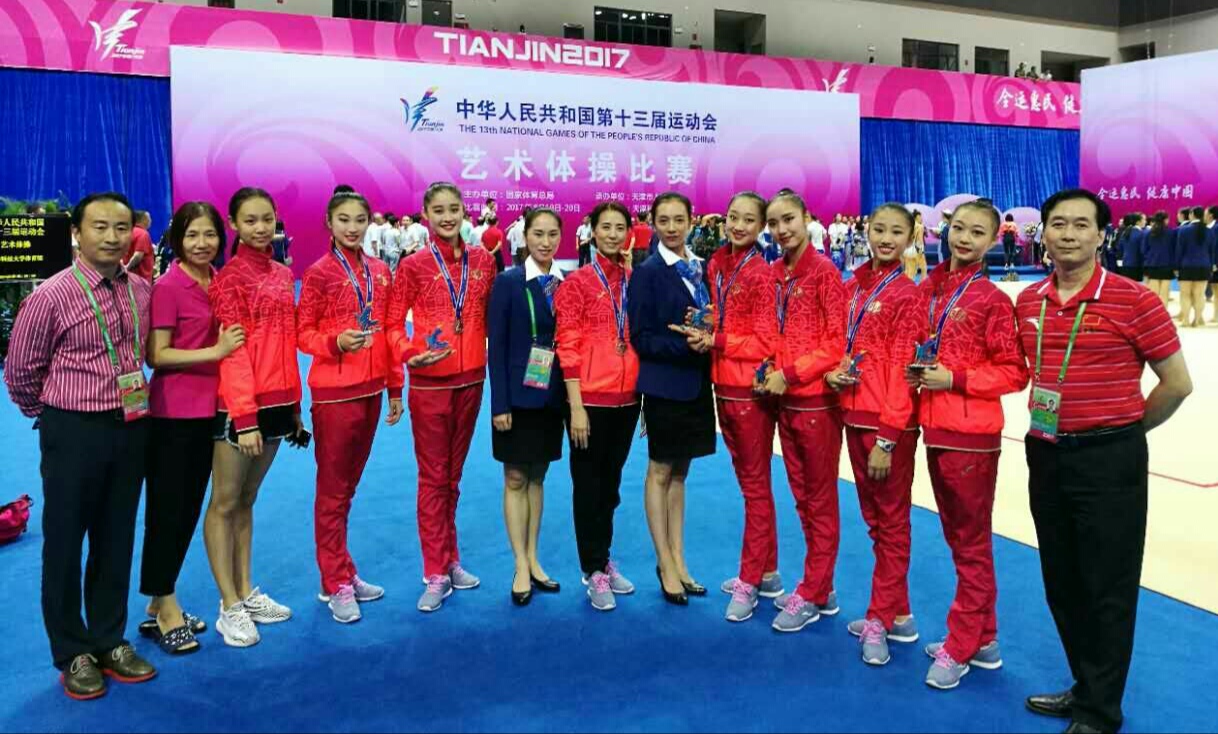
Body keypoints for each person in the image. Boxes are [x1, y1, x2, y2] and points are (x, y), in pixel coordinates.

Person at [1018, 189, 1192, 734]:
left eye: (1081, 224)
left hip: (1110, 459)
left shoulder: (1134, 300)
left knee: (1107, 586)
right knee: (1062, 580)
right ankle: (1085, 685)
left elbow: (1176, 384)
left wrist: (1122, 432)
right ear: (1044, 233)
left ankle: (1100, 710)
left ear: (1100, 234)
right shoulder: (1028, 301)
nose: (1068, 234)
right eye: (1058, 224)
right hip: (1046, 452)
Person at [4, 192, 157, 700]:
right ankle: (72, 650)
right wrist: (53, 416)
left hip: (130, 427)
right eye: (100, 227)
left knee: (116, 538)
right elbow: (20, 372)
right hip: (73, 430)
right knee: (66, 542)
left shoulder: (140, 289)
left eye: (120, 228)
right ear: (76, 232)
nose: (112, 237)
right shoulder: (50, 295)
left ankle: (110, 639)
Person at [893, 200, 1028, 690]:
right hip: (935, 427)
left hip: (972, 435)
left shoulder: (991, 299)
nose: (965, 238)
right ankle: (984, 640)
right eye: (959, 229)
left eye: (977, 232)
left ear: (994, 240)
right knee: (960, 538)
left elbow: (1014, 371)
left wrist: (955, 379)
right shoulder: (932, 289)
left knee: (970, 543)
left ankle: (963, 642)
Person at [140, 202, 245, 656]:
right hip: (174, 414)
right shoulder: (169, 286)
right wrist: (215, 352)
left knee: (189, 509)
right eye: (192, 235)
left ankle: (157, 599)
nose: (202, 243)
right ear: (177, 240)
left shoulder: (218, 281)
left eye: (210, 234)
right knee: (169, 511)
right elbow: (157, 355)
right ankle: (165, 606)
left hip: (212, 410)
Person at [386, 182, 496, 613]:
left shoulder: (483, 261)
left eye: (454, 209)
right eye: (439, 210)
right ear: (426, 215)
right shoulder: (413, 266)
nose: (448, 217)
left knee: (453, 477)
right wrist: (409, 353)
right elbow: (392, 323)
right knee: (433, 477)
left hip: (472, 381)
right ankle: (434, 568)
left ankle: (450, 558)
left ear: (465, 211)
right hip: (430, 383)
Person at [297, 191, 404, 624]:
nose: (353, 227)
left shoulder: (380, 272)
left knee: (348, 488)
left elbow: (390, 331)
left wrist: (394, 387)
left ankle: (342, 568)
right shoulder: (318, 273)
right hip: (334, 394)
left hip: (371, 391)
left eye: (360, 219)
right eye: (344, 219)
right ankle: (333, 581)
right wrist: (334, 342)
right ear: (329, 222)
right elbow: (302, 332)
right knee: (332, 490)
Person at [205, 187, 302, 648]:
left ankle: (245, 591)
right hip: (240, 407)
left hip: (279, 403)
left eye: (267, 219)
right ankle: (228, 605)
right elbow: (234, 352)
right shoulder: (229, 279)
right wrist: (244, 417)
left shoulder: (283, 274)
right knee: (225, 502)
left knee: (247, 499)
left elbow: (286, 344)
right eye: (250, 221)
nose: (261, 228)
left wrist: (294, 406)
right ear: (233, 224)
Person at [826, 203, 922, 666]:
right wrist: (833, 374)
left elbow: (905, 371)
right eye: (879, 229)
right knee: (877, 522)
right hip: (853, 414)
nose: (885, 238)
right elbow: (839, 345)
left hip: (888, 425)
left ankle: (879, 619)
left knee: (892, 521)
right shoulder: (854, 286)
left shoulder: (909, 295)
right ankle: (899, 613)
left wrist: (888, 436)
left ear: (910, 237)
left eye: (896, 232)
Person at [756, 191, 847, 633]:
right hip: (785, 402)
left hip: (815, 401)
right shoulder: (776, 272)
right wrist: (767, 368)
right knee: (804, 499)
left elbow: (835, 343)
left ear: (807, 218)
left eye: (788, 219)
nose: (781, 230)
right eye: (773, 223)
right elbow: (773, 333)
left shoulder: (824, 272)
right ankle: (820, 586)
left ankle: (812, 591)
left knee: (820, 499)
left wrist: (789, 373)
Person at [627, 192, 716, 607]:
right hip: (664, 385)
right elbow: (641, 337)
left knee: (681, 474)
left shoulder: (700, 267)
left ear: (691, 221)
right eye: (663, 220)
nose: (672, 227)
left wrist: (710, 339)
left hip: (697, 384)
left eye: (679, 219)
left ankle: (679, 559)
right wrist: (686, 346)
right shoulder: (647, 273)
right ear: (653, 223)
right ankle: (663, 562)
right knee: (660, 471)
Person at [553, 201, 641, 612]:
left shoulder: (634, 281)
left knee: (611, 487)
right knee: (588, 486)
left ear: (629, 233)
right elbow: (567, 346)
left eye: (619, 227)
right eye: (605, 227)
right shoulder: (577, 283)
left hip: (628, 400)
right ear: (592, 232)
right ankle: (592, 569)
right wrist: (576, 407)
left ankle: (603, 559)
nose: (612, 235)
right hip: (588, 400)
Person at [705, 192, 784, 622]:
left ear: (761, 227)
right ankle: (767, 572)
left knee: (755, 487)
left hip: (750, 391)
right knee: (750, 484)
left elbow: (766, 342)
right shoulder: (717, 264)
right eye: (733, 217)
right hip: (722, 386)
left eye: (748, 220)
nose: (738, 226)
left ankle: (751, 579)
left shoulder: (762, 274)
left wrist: (717, 340)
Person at [488, 207, 567, 607]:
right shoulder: (508, 282)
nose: (545, 242)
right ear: (525, 236)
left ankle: (534, 558)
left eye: (553, 234)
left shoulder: (565, 283)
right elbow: (497, 347)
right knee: (516, 477)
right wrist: (499, 404)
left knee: (538, 478)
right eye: (538, 234)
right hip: (516, 398)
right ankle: (519, 563)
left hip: (551, 396)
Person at [1176, 206, 1209, 327]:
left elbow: (1179, 250)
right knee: (1199, 295)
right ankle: (1197, 319)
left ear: (1191, 214)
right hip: (1204, 265)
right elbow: (1212, 250)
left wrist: (1176, 266)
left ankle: (1185, 320)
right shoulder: (1208, 231)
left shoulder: (1184, 230)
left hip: (1186, 266)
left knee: (1185, 294)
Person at [1142, 211, 1175, 305]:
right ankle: (1164, 312)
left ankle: (1154, 313)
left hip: (1152, 265)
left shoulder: (1148, 233)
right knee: (1165, 294)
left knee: (1154, 294)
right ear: (1165, 220)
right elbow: (1174, 249)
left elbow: (1143, 249)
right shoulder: (1172, 233)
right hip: (1167, 265)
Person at [123, 210, 156, 283]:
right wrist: (126, 268)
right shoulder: (143, 234)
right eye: (149, 218)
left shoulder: (127, 232)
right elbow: (137, 256)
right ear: (144, 220)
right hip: (140, 280)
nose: (151, 220)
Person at [1116, 213, 1146, 283]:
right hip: (1137, 266)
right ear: (1138, 222)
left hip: (1125, 265)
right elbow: (1142, 251)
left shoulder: (1125, 232)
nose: (1145, 221)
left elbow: (1120, 248)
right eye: (1144, 219)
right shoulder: (1141, 234)